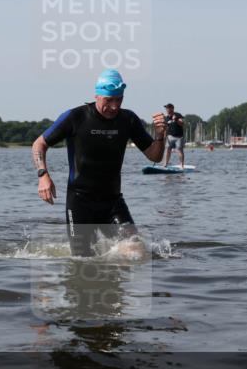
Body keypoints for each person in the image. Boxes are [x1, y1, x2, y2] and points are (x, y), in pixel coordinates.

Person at [32, 69, 166, 256]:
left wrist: (160, 136)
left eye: (119, 100)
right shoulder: (75, 117)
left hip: (112, 202)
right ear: (97, 95)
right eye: (109, 100)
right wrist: (42, 175)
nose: (114, 106)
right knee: (83, 261)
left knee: (136, 249)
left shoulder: (128, 120)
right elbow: (39, 144)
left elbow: (155, 156)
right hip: (80, 202)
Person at [162, 103, 185, 168]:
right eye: (166, 108)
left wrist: (176, 120)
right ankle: (165, 164)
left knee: (179, 150)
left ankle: (182, 165)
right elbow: (166, 128)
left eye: (168, 108)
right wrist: (164, 136)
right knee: (167, 150)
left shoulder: (177, 115)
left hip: (178, 137)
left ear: (172, 108)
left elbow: (182, 123)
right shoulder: (166, 117)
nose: (167, 109)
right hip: (169, 137)